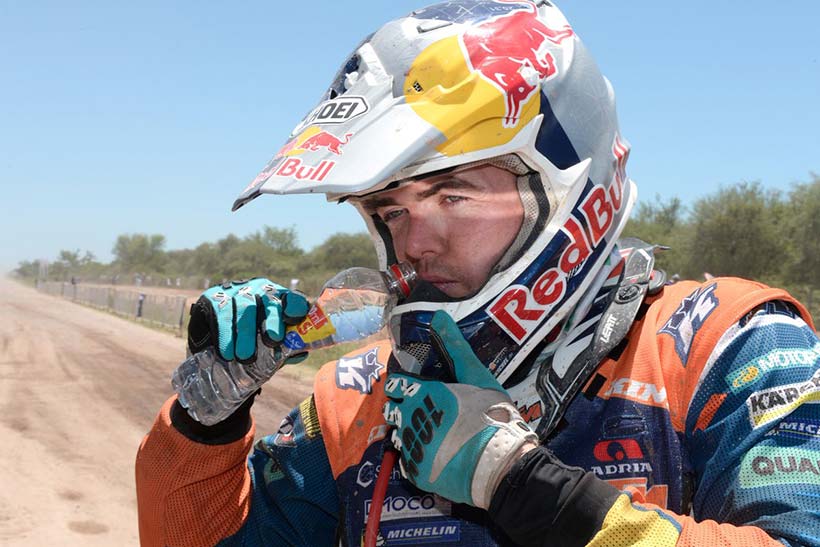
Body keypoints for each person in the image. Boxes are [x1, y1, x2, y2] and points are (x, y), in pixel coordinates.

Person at [136, 1, 820, 546]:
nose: (416, 244)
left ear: (564, 187)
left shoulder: (720, 345)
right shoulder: (356, 400)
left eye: (452, 196)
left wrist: (527, 487)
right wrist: (206, 423)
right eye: (391, 210)